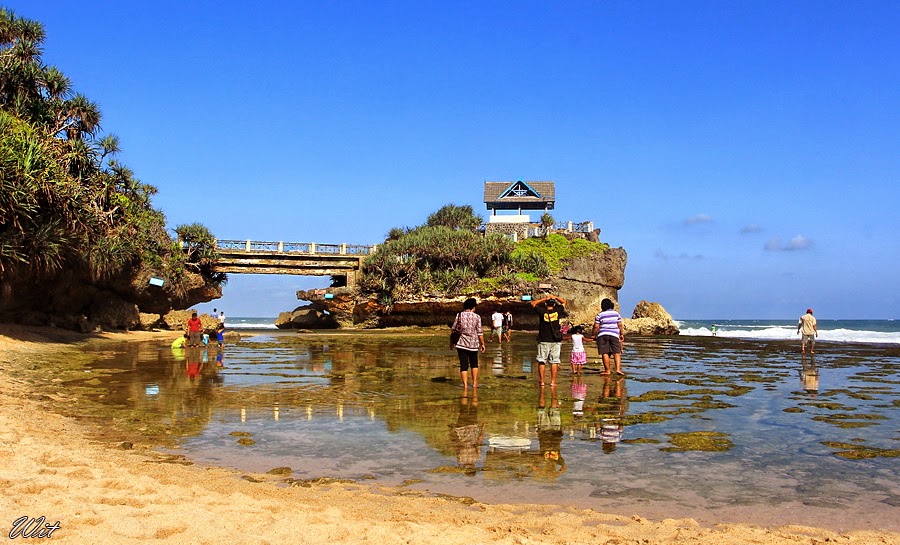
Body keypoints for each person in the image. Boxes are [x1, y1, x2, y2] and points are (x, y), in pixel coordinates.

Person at [531, 294, 567, 387]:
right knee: (554, 361)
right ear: (554, 305)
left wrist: (544, 299)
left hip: (543, 339)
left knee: (542, 360)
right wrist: (555, 297)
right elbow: (564, 302)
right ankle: (553, 382)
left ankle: (542, 381)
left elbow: (533, 303)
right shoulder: (557, 311)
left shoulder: (542, 311)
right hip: (555, 340)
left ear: (546, 304)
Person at [451, 298, 486, 391]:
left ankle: (465, 386)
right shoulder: (477, 317)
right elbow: (479, 332)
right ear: (473, 307)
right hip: (474, 344)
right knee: (474, 364)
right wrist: (483, 344)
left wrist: (451, 342)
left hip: (461, 343)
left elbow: (454, 329)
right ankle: (474, 383)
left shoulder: (459, 315)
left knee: (464, 365)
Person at [591, 298, 625, 376]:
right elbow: (619, 325)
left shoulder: (600, 315)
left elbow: (596, 326)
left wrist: (593, 335)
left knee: (605, 352)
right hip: (614, 335)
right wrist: (621, 334)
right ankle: (618, 369)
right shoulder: (616, 314)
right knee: (617, 352)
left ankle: (607, 370)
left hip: (603, 335)